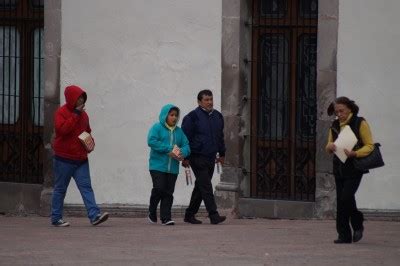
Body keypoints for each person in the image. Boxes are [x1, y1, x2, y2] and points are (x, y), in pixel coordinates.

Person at [51, 85, 109, 227]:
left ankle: (94, 215)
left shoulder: (84, 115)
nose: (82, 100)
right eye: (79, 97)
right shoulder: (61, 112)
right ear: (72, 99)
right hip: (63, 158)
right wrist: (75, 114)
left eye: (83, 97)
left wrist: (90, 143)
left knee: (86, 187)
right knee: (60, 188)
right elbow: (63, 130)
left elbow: (87, 132)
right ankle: (56, 218)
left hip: (81, 159)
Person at [326, 96, 374, 243]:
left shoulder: (360, 123)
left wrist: (355, 153)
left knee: (346, 197)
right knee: (342, 202)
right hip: (339, 167)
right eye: (337, 112)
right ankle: (344, 235)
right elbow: (328, 145)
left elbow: (370, 145)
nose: (339, 114)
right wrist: (330, 147)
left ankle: (358, 223)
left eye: (342, 111)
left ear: (350, 109)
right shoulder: (334, 124)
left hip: (354, 168)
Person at [181, 90, 226, 225]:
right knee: (206, 185)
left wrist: (222, 154)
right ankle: (213, 215)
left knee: (201, 186)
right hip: (196, 157)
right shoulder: (191, 117)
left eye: (211, 99)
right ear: (199, 102)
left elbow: (220, 137)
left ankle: (189, 215)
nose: (210, 102)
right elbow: (185, 140)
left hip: (211, 157)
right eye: (206, 100)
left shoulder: (218, 116)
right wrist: (185, 157)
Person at [147, 104, 190, 225]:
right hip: (157, 166)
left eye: (176, 115)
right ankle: (152, 210)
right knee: (159, 188)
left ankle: (166, 217)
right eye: (171, 115)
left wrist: (183, 152)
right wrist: (168, 149)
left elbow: (186, 145)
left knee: (168, 192)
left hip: (173, 168)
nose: (174, 118)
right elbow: (151, 141)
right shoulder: (157, 127)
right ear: (165, 115)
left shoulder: (179, 131)